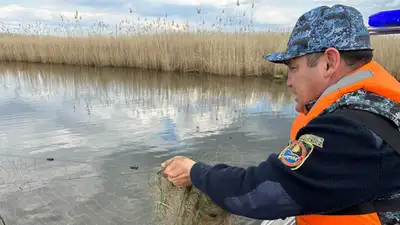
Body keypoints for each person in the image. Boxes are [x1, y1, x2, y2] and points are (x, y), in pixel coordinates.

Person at [161, 4, 400, 225]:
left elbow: (260, 192)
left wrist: (195, 172)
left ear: (329, 62)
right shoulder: (375, 105)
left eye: (293, 68)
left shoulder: (352, 132)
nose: (288, 82)